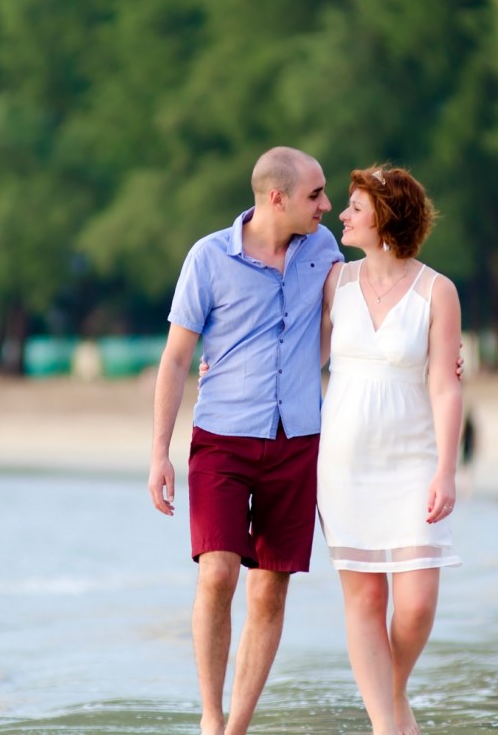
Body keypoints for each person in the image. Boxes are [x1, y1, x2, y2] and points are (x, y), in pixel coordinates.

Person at [148, 146, 342, 735]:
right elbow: (177, 358)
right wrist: (159, 451)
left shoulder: (325, 249)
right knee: (217, 575)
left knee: (271, 591)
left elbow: (363, 308)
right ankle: (211, 717)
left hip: (297, 441)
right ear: (276, 198)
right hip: (223, 438)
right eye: (315, 194)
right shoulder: (208, 258)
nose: (326, 205)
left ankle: (238, 728)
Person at [316, 164, 463, 735]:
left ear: (386, 216)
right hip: (345, 463)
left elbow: (447, 385)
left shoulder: (438, 290)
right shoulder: (336, 282)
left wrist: (446, 471)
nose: (343, 215)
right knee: (364, 601)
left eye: (355, 206)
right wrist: (223, 368)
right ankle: (388, 725)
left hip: (413, 459)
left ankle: (390, 698)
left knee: (418, 603)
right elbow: (305, 358)